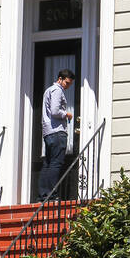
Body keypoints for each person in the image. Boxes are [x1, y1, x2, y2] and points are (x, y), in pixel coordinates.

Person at [38, 69, 75, 201]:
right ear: (60, 79)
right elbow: (54, 111)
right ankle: (52, 195)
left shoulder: (48, 90)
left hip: (48, 132)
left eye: (69, 84)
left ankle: (43, 195)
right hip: (57, 132)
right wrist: (67, 114)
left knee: (48, 163)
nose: (68, 86)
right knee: (56, 163)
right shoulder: (57, 90)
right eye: (66, 82)